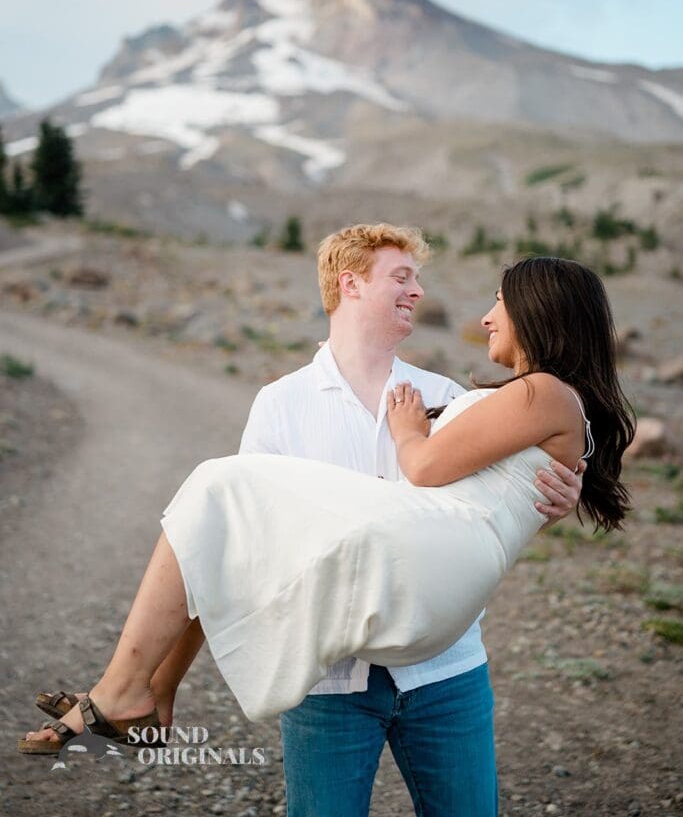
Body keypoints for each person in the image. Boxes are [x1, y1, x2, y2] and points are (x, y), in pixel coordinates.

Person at [18, 231, 616, 817]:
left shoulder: (446, 393)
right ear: (349, 284)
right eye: (402, 277)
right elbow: (229, 552)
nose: (420, 291)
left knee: (215, 486)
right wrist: (170, 680)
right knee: (216, 497)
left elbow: (486, 507)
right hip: (330, 680)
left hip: (443, 672)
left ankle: (121, 689)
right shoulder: (282, 403)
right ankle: (137, 688)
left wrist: (554, 503)